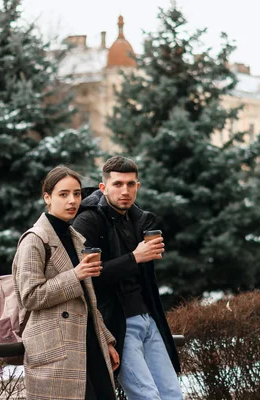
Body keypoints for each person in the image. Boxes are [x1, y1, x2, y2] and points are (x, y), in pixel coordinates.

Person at [72, 156, 183, 400]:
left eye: (131, 184)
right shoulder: (87, 220)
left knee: (172, 394)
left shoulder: (139, 220)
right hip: (117, 322)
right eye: (118, 184)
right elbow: (87, 278)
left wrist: (144, 259)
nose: (125, 191)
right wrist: (135, 257)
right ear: (104, 188)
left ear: (138, 186)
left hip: (147, 318)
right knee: (147, 396)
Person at [12, 165, 119, 400]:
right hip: (56, 351)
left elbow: (88, 300)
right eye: (64, 194)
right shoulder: (34, 240)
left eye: (77, 194)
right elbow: (30, 296)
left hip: (88, 344)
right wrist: (75, 275)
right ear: (47, 198)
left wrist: (106, 340)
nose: (72, 200)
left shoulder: (76, 239)